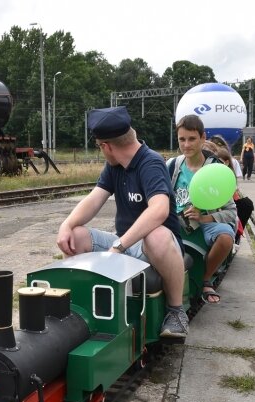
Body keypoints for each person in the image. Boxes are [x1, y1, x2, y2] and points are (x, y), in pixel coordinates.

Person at [56, 106, 188, 338]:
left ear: (106, 146)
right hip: (125, 243)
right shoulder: (114, 166)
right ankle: (78, 310)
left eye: (99, 147)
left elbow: (159, 210)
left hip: (154, 249)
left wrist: (119, 247)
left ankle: (176, 312)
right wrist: (66, 225)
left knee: (155, 235)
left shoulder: (151, 162)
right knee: (76, 236)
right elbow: (94, 199)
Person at [167, 115, 237, 304]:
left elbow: (232, 212)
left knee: (226, 237)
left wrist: (204, 218)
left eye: (192, 139)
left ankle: (205, 278)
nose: (187, 144)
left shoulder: (215, 169)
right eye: (182, 139)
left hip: (204, 223)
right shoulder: (173, 166)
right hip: (175, 222)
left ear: (203, 138)